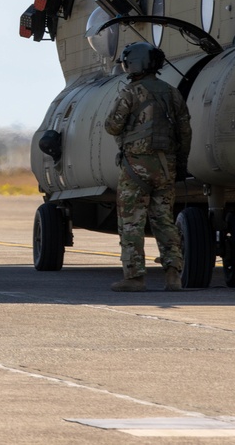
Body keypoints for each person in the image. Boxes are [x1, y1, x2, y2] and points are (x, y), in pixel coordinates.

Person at [104, 43, 192, 292]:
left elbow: (112, 126)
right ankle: (174, 276)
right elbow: (185, 132)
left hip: (136, 168)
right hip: (167, 168)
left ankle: (134, 277)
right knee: (164, 221)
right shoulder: (172, 93)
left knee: (131, 221)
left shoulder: (130, 93)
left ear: (134, 63)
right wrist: (181, 164)